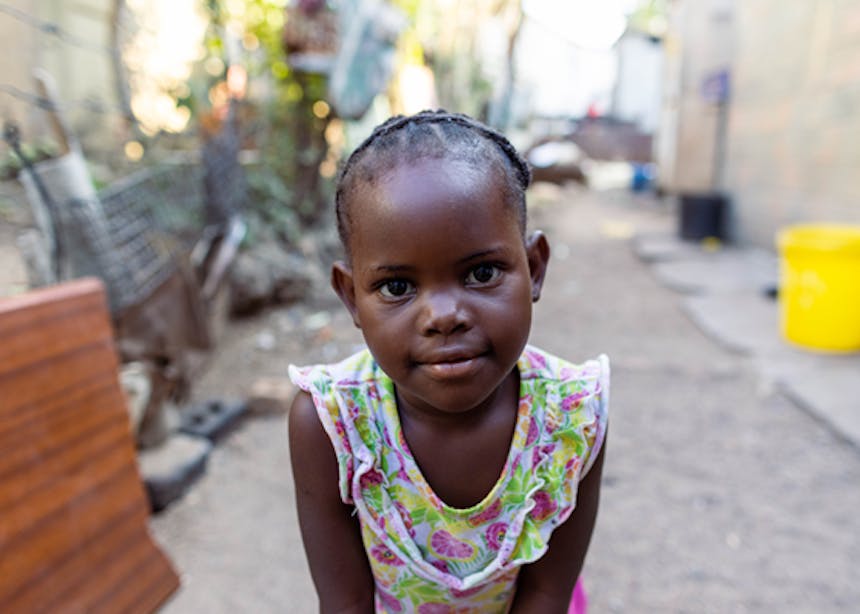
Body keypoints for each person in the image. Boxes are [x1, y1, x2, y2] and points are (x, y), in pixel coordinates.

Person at [288, 110, 609, 614]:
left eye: (482, 273)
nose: (443, 317)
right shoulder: (331, 424)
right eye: (397, 286)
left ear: (534, 268)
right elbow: (345, 603)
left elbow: (547, 593)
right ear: (351, 297)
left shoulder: (574, 415)